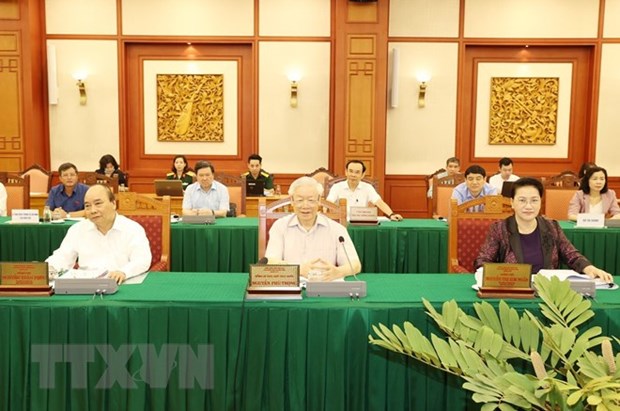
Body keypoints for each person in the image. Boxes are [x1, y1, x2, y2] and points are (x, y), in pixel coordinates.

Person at [475, 177, 613, 282]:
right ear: (512, 202)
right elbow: (482, 261)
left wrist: (589, 268)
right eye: (522, 200)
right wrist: (502, 277)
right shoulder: (500, 228)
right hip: (514, 292)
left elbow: (571, 254)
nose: (528, 206)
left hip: (548, 293)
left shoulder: (551, 226)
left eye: (534, 200)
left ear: (540, 202)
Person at [46, 184, 151, 284]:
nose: (93, 210)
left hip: (121, 284)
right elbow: (62, 257)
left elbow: (142, 260)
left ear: (113, 204)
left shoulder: (132, 228)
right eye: (87, 206)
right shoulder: (77, 229)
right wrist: (49, 268)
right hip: (85, 288)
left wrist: (123, 272)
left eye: (98, 204)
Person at [265, 176, 361, 281]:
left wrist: (338, 272)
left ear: (319, 200)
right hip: (292, 288)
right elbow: (270, 262)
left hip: (324, 287)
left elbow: (355, 264)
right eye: (300, 200)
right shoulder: (280, 227)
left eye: (311, 200)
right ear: (292, 201)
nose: (305, 206)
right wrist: (299, 270)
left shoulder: (336, 229)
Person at [326, 159, 403, 221]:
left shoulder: (368, 187)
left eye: (357, 172)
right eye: (351, 171)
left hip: (361, 222)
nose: (353, 175)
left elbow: (379, 202)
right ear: (346, 172)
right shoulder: (337, 187)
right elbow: (328, 203)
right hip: (341, 222)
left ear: (362, 175)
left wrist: (391, 214)